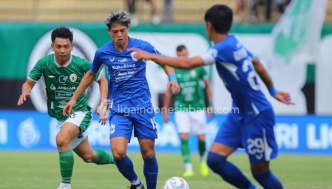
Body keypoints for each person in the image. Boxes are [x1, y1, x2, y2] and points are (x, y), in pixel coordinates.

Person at [129, 4, 295, 189]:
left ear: (209, 25)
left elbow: (188, 63)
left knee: (260, 172)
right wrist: (273, 91)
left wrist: (152, 56)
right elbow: (257, 63)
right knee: (215, 160)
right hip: (238, 113)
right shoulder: (233, 43)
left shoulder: (222, 48)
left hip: (257, 115)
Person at [63, 10, 180, 189]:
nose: (119, 34)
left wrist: (172, 78)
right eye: (115, 31)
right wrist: (73, 98)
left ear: (128, 29)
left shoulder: (142, 46)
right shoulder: (102, 53)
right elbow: (90, 75)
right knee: (118, 153)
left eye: (123, 30)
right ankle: (135, 182)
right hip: (119, 109)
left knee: (148, 153)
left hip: (143, 107)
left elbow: (163, 61)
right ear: (109, 31)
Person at [17, 27, 115, 189]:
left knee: (61, 139)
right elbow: (28, 84)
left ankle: (65, 185)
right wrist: (26, 92)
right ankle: (118, 160)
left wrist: (103, 103)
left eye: (66, 46)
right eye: (59, 46)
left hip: (80, 111)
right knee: (89, 156)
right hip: (61, 116)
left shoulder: (80, 64)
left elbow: (102, 80)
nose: (62, 50)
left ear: (72, 46)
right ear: (52, 47)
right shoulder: (44, 63)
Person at [162, 45, 213, 177]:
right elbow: (168, 93)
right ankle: (188, 167)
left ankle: (202, 160)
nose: (183, 58)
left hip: (198, 108)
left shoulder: (197, 67)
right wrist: (165, 110)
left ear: (188, 54)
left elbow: (208, 85)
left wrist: (210, 104)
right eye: (180, 56)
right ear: (177, 56)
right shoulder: (174, 71)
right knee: (184, 139)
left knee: (202, 140)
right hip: (182, 109)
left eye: (185, 55)